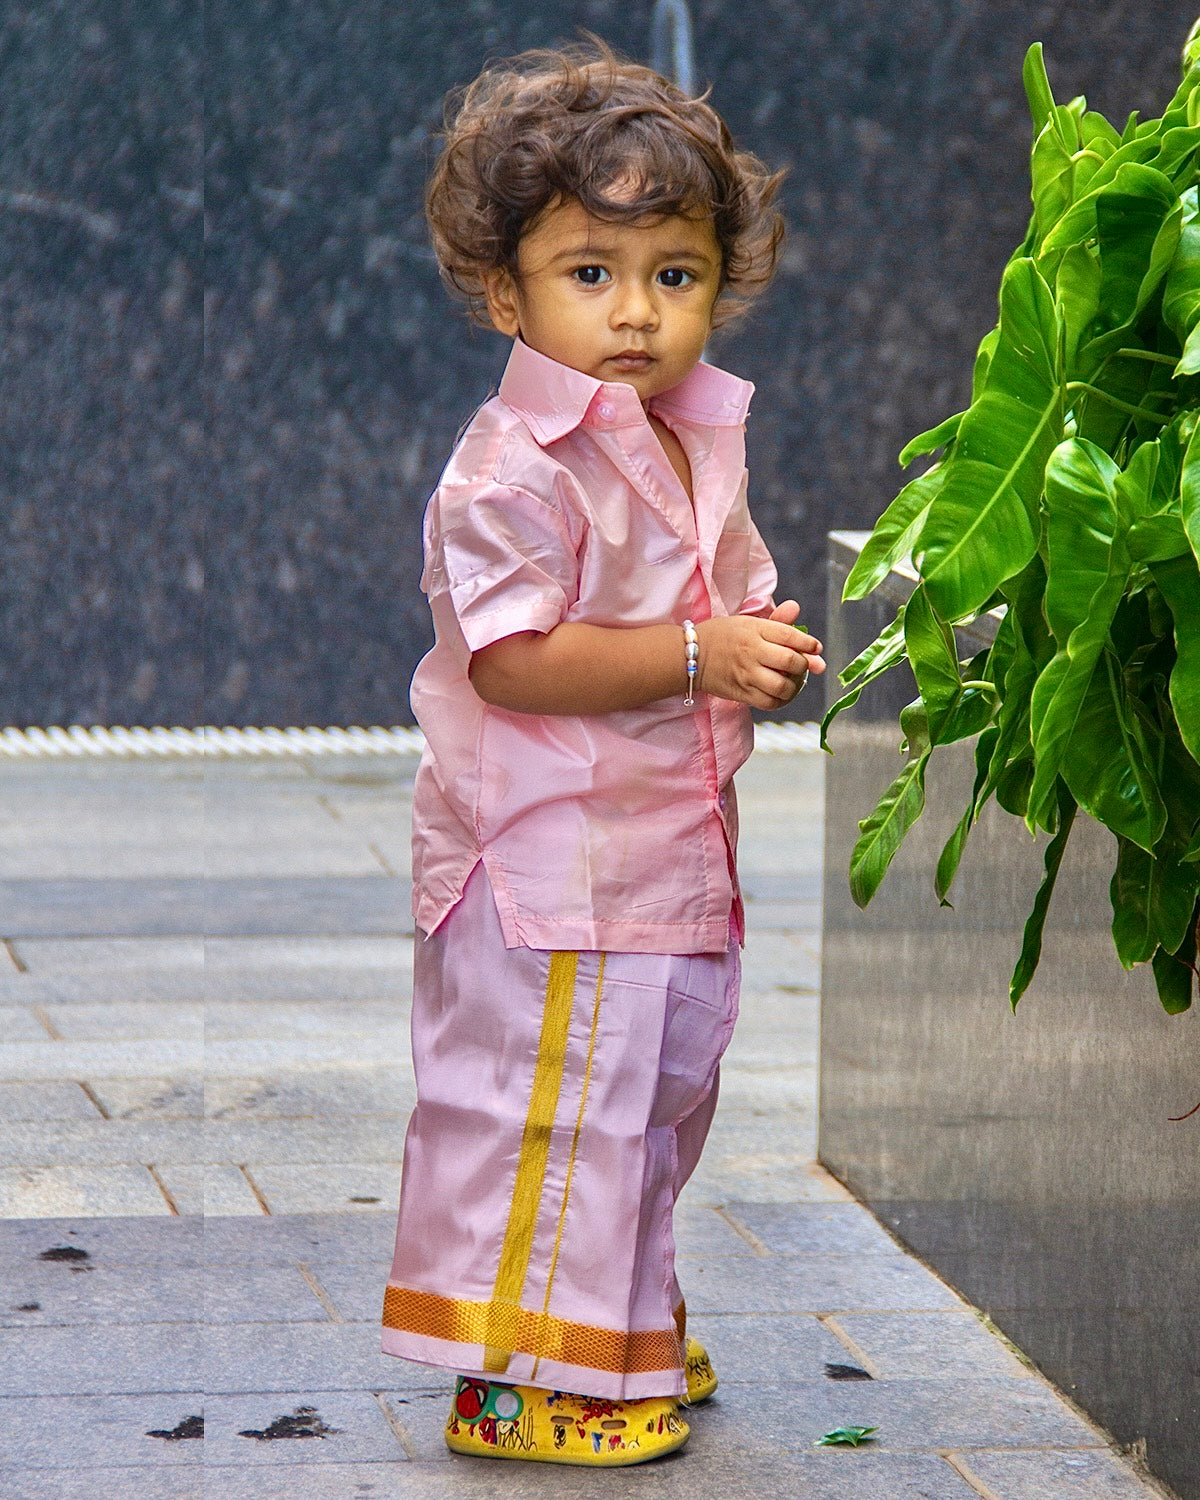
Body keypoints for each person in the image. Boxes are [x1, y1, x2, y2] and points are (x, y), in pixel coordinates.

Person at [381, 38, 825, 1468]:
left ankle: (618, 1326)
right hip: (552, 867)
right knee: (558, 1112)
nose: (635, 312)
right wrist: (705, 655)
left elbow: (714, 594)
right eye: (591, 273)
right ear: (505, 291)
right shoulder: (510, 467)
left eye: (674, 275)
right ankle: (523, 1380)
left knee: (654, 1095)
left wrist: (755, 631)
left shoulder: (693, 433)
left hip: (664, 853)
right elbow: (516, 656)